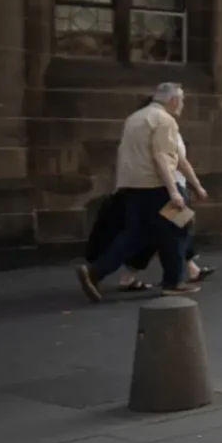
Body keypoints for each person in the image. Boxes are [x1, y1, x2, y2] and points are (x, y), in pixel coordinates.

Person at [76, 83, 194, 302]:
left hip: (132, 187)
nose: (183, 104)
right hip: (157, 187)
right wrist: (173, 192)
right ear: (173, 100)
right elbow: (161, 158)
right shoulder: (165, 121)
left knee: (136, 235)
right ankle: (174, 281)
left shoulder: (135, 118)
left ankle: (96, 271)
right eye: (182, 99)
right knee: (181, 225)